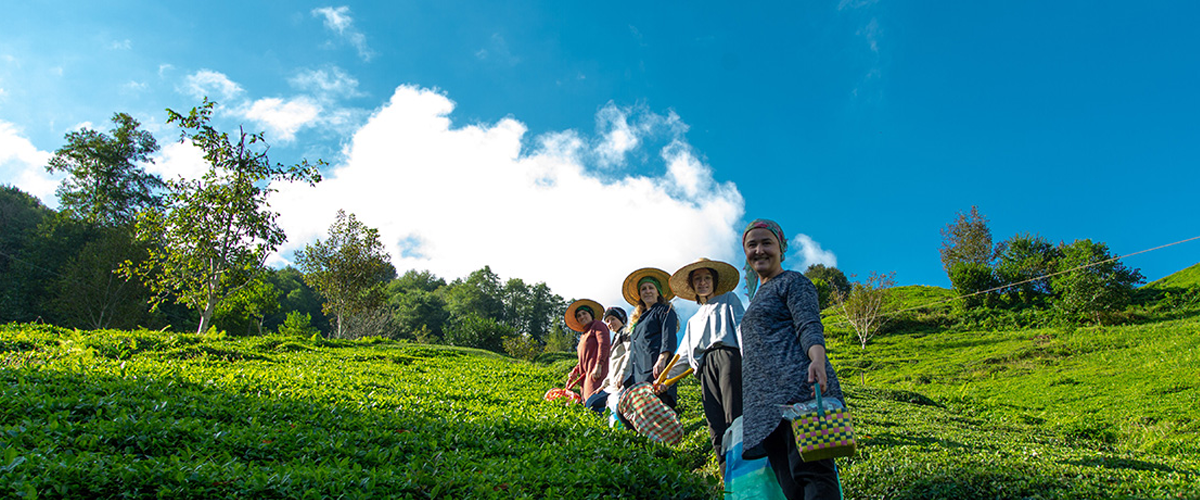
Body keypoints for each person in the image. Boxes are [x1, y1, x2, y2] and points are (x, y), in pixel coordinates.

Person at [739, 219, 845, 500]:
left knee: (813, 476)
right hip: (766, 409)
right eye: (752, 245)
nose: (759, 250)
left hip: (798, 393)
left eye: (766, 243)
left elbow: (808, 325)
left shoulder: (793, 282)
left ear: (781, 249)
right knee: (791, 488)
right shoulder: (758, 296)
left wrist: (817, 360)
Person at [669, 258, 745, 480]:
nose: (703, 283)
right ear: (693, 285)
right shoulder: (693, 320)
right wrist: (665, 380)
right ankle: (727, 478)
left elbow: (741, 326)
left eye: (707, 278)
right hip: (704, 370)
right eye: (698, 279)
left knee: (735, 414)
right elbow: (683, 356)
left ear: (714, 281)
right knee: (715, 423)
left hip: (728, 358)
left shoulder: (728, 300)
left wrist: (749, 359)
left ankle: (745, 469)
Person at [621, 267, 680, 410]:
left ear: (658, 291)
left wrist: (662, 358)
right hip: (638, 370)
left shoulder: (664, 310)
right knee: (639, 410)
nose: (647, 291)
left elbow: (668, 335)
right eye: (643, 289)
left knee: (658, 407)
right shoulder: (639, 320)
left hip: (655, 367)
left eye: (651, 288)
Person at [583, 306, 633, 419]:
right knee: (591, 402)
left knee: (595, 404)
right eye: (607, 321)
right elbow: (612, 367)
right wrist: (604, 384)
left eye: (613, 319)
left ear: (622, 319)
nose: (610, 323)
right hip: (613, 382)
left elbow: (630, 353)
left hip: (623, 380)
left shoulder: (626, 332)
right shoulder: (616, 338)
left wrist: (623, 374)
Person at [563, 299, 611, 402]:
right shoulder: (583, 336)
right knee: (587, 402)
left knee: (595, 401)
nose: (581, 317)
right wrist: (576, 370)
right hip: (585, 377)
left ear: (591, 314)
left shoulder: (598, 325)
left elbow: (604, 345)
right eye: (579, 316)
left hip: (597, 372)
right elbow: (584, 357)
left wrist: (599, 365)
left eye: (584, 313)